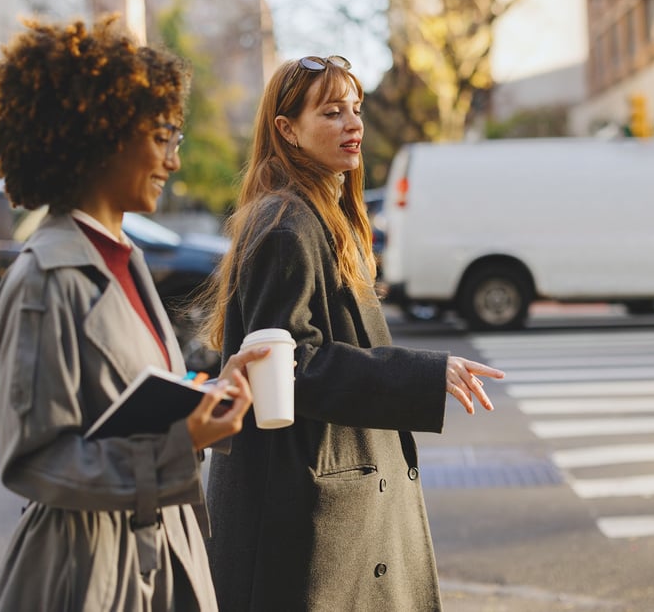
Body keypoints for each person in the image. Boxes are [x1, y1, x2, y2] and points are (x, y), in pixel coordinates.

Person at [0, 16, 268, 612]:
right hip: (90, 575)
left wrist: (210, 392)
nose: (174, 160)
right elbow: (36, 461)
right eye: (164, 136)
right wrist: (182, 441)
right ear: (105, 134)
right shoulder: (47, 277)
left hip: (152, 557)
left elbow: (126, 404)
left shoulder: (123, 257)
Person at [199, 55, 506, 611]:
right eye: (333, 112)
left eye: (356, 110)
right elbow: (290, 364)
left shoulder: (320, 213)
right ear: (286, 130)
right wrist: (426, 372)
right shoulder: (285, 226)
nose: (353, 125)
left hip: (334, 501)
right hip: (308, 513)